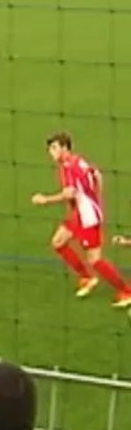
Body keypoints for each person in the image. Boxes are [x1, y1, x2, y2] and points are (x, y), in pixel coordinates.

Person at [31, 130, 131, 307]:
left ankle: (126, 292)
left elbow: (68, 193)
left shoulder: (70, 167)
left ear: (65, 148)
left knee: (95, 259)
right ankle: (87, 277)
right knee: (58, 242)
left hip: (87, 217)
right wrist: (96, 198)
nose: (51, 152)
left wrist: (45, 199)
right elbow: (97, 175)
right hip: (79, 213)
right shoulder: (78, 161)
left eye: (54, 148)